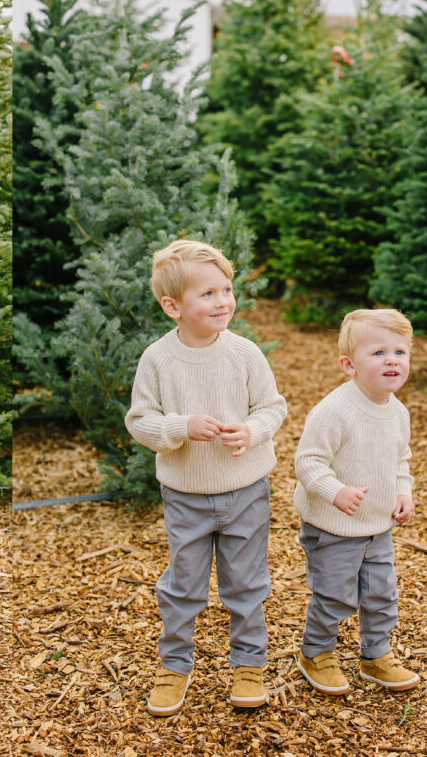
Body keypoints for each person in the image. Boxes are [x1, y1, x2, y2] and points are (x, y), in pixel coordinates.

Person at [125, 239, 287, 715]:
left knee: (246, 582)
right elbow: (139, 421)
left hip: (246, 491)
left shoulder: (245, 353)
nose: (223, 302)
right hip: (186, 495)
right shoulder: (158, 359)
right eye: (208, 294)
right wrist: (180, 427)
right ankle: (175, 664)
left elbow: (272, 407)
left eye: (226, 290)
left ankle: (249, 663)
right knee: (184, 583)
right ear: (172, 306)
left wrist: (252, 431)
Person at [293, 308, 420, 695]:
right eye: (378, 353)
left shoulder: (397, 411)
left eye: (400, 351)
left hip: (377, 526)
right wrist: (336, 490)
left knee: (382, 592)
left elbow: (400, 459)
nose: (392, 360)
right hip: (334, 527)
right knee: (335, 594)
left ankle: (376, 654)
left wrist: (403, 492)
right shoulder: (335, 411)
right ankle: (316, 652)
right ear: (349, 365)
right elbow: (308, 461)